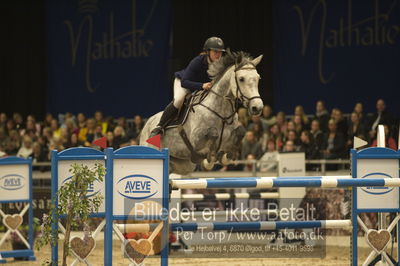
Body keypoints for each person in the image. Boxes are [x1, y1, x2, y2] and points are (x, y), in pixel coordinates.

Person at [149, 37, 225, 137]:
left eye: (220, 52)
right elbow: (184, 82)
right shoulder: (198, 61)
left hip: (201, 88)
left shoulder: (221, 65)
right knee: (179, 100)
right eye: (215, 51)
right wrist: (202, 85)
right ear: (208, 51)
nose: (218, 54)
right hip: (184, 82)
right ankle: (159, 126)